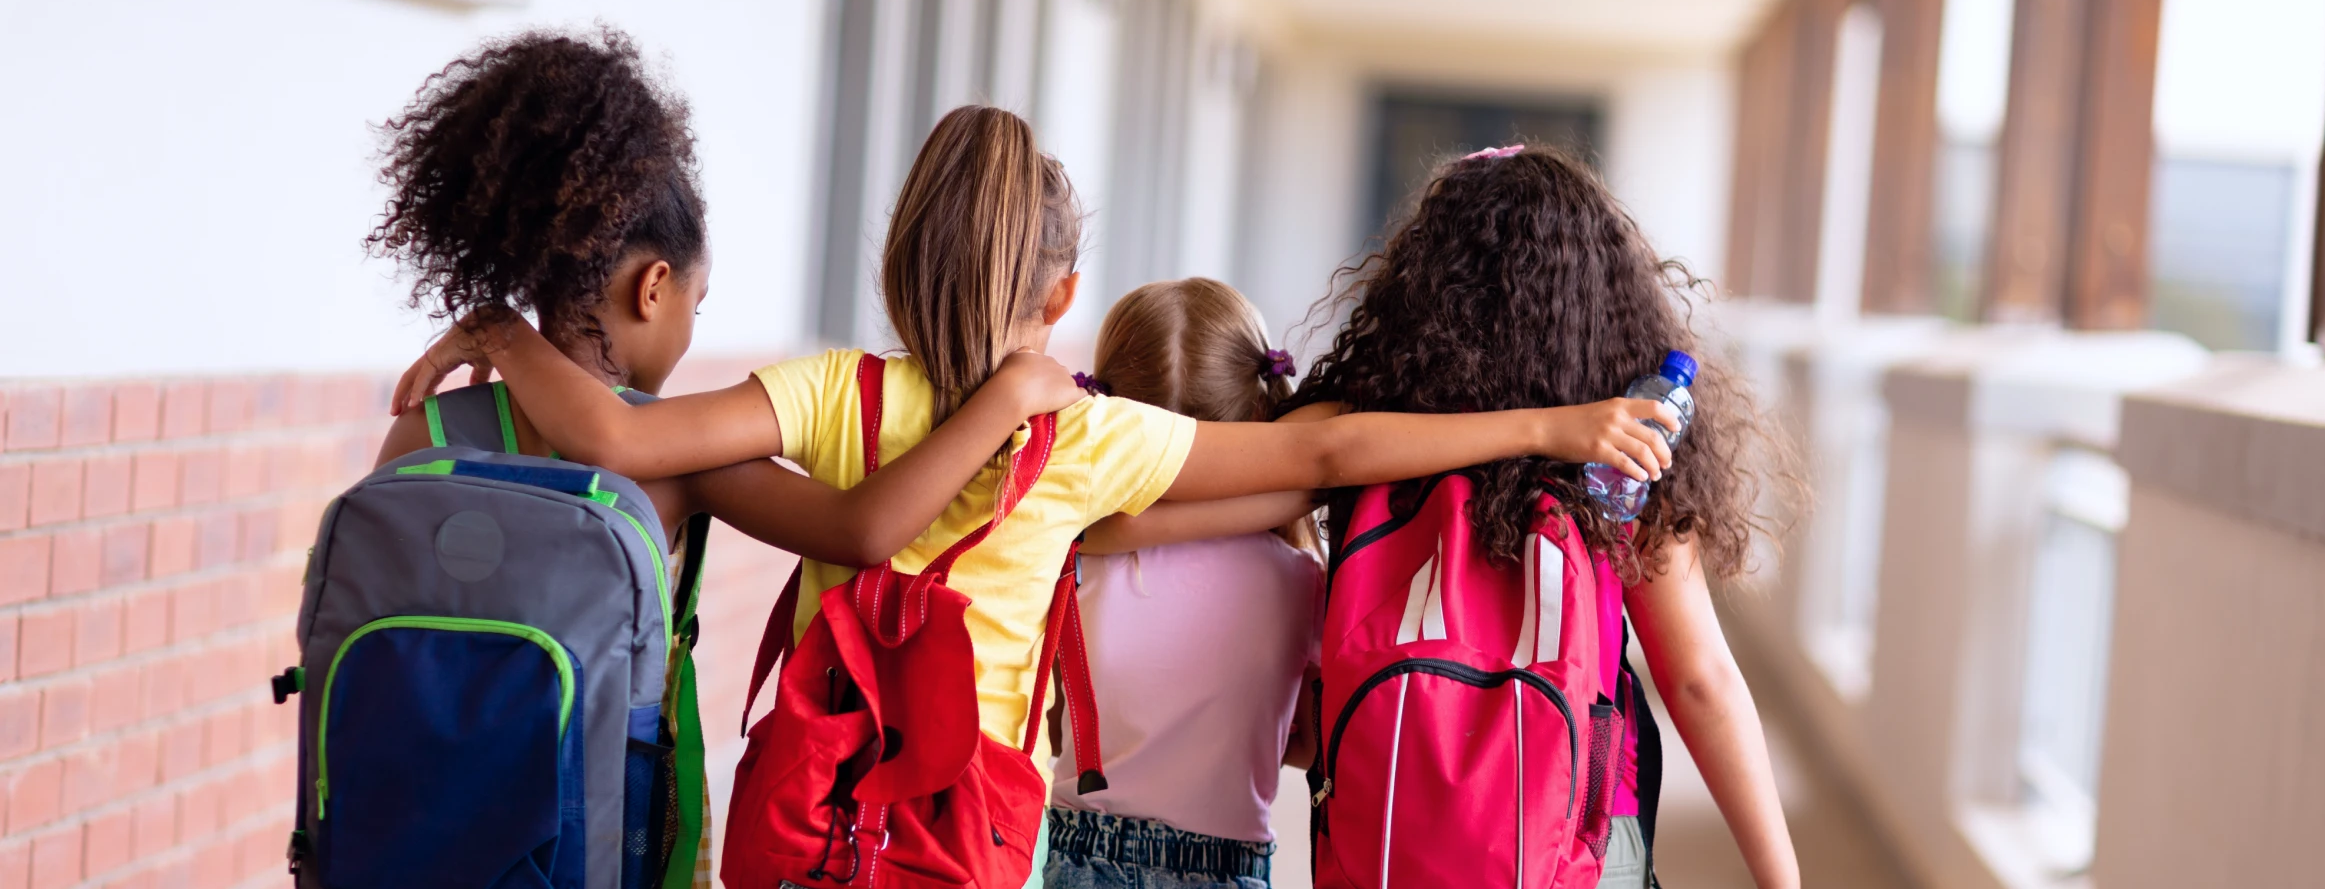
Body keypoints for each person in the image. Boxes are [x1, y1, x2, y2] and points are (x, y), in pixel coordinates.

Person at [392, 105, 1682, 866]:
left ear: (898, 259)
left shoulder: (832, 394)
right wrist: (1553, 420)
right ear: (1063, 296)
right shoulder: (1084, 438)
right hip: (965, 849)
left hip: (807, 826)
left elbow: (625, 438)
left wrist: (506, 333)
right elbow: (1327, 454)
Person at [361, 35, 1089, 887]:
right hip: (598, 835)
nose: (692, 326)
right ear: (653, 288)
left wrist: (495, 329)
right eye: (697, 304)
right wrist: (1006, 400)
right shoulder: (678, 460)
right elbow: (861, 528)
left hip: (413, 824)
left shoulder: (424, 437)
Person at [1286, 144, 1804, 889]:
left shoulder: (1368, 437)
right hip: (1582, 838)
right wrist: (1781, 878)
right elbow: (1698, 679)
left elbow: (1280, 460)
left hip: (1386, 837)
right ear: (1600, 298)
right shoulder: (1626, 454)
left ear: (1426, 287)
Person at [1035, 279, 1323, 889]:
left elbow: (1062, 717)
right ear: (1260, 411)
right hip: (1227, 865)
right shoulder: (1301, 581)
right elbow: (1308, 747)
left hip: (1081, 853)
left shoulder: (1073, 552)